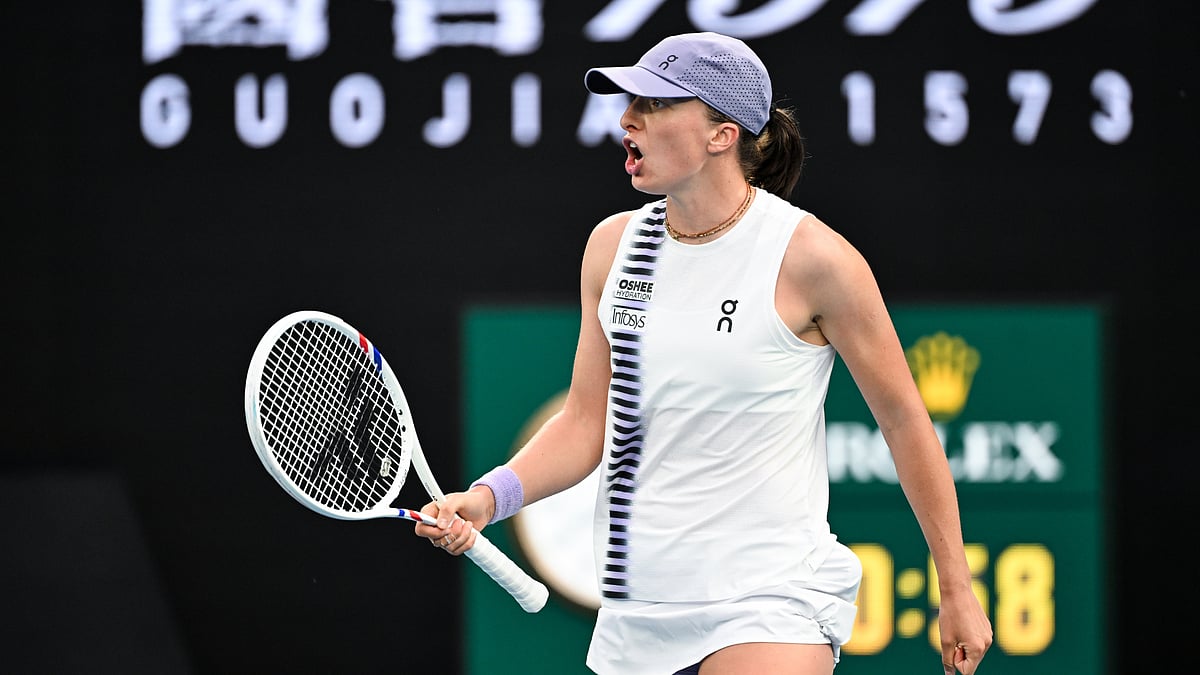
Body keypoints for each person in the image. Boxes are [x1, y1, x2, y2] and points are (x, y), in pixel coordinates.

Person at [415, 31, 993, 675]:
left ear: (722, 133)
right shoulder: (612, 249)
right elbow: (587, 422)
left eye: (657, 105)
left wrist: (957, 586)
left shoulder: (815, 260)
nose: (628, 119)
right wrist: (490, 498)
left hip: (771, 601)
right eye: (629, 102)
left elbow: (906, 422)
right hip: (638, 610)